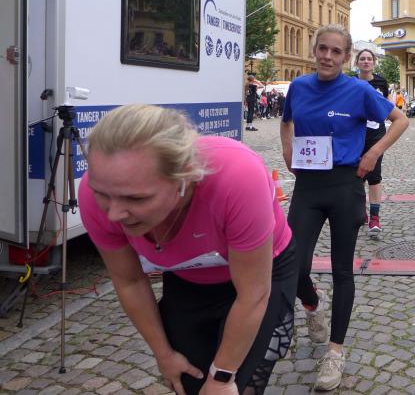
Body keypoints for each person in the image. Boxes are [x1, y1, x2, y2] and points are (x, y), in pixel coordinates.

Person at [79, 104, 297, 395]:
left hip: (260, 274)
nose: (114, 213)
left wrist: (222, 377)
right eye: (102, 194)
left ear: (184, 178)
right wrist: (163, 355)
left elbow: (253, 294)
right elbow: (129, 281)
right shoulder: (96, 195)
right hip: (189, 278)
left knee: (239, 384)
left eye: (137, 199)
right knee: (190, 380)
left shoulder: (238, 177)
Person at [280, 24, 409, 391]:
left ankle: (335, 352)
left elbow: (400, 120)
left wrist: (373, 152)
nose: (327, 56)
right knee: (293, 265)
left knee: (342, 271)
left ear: (346, 57)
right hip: (308, 185)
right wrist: (287, 152)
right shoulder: (299, 87)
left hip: (345, 185)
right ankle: (312, 305)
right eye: (322, 48)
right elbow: (286, 122)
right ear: (314, 50)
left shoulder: (359, 90)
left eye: (336, 51)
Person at [355, 48, 391, 238]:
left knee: (374, 175)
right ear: (357, 63)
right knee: (356, 176)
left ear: (374, 62)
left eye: (369, 58)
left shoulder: (381, 82)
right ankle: (361, 211)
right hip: (355, 134)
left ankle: (375, 217)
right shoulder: (351, 82)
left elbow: (386, 107)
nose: (366, 61)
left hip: (376, 133)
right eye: (362, 58)